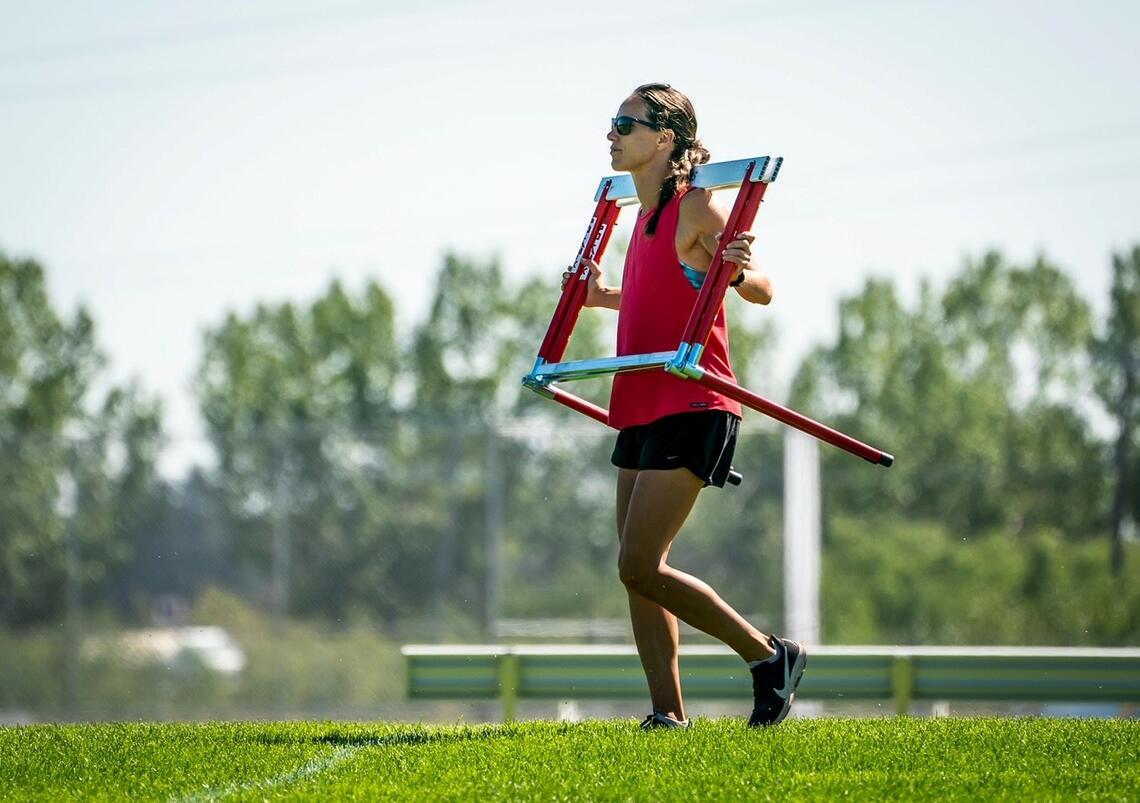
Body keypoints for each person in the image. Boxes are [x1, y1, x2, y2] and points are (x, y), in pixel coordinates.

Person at [563, 83, 806, 729]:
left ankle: (768, 655)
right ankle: (668, 714)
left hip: (695, 401)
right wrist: (601, 297)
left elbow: (761, 289)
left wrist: (740, 267)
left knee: (640, 562)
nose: (611, 134)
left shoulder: (697, 207)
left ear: (664, 138)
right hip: (641, 401)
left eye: (625, 123)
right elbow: (662, 298)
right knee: (637, 573)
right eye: (612, 122)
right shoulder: (642, 221)